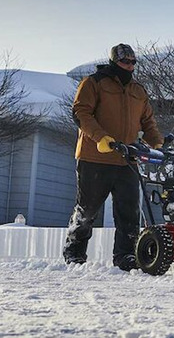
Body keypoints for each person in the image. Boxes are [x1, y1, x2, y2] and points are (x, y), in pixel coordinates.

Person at [63, 44, 164, 271]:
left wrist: (156, 142)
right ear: (113, 62)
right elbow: (81, 112)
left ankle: (126, 256)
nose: (129, 66)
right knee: (87, 209)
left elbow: (148, 121)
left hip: (127, 158)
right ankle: (75, 251)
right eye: (124, 62)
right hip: (95, 157)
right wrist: (101, 137)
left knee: (129, 211)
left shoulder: (138, 90)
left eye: (132, 62)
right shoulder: (94, 83)